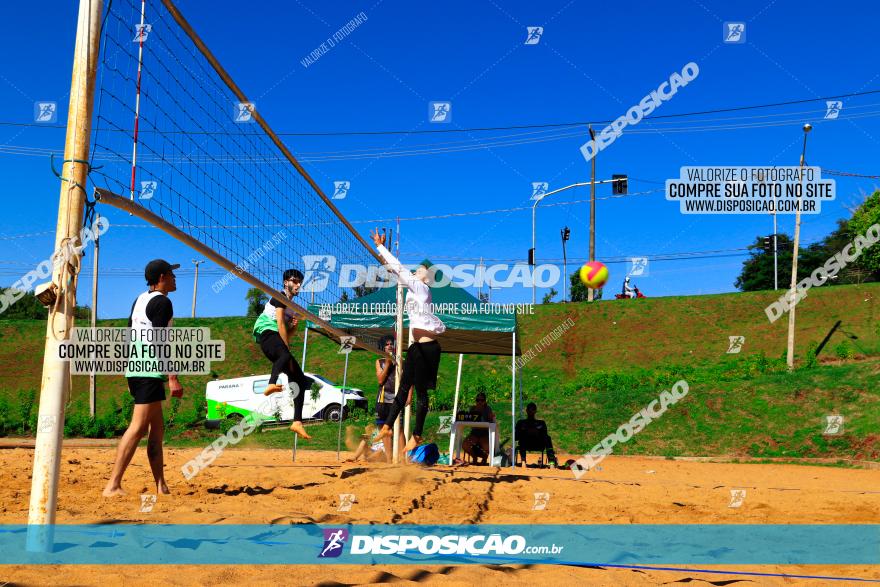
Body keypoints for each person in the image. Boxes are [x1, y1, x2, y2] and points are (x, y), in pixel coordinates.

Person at [103, 259, 182, 497]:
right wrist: (173, 377)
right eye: (172, 274)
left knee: (156, 432)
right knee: (137, 428)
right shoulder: (163, 302)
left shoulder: (139, 299)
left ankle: (161, 484)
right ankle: (113, 485)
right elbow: (160, 342)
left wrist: (129, 372)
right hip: (148, 370)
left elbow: (129, 334)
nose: (175, 278)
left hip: (139, 369)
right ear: (162, 277)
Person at [370, 228, 445, 452]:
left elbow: (400, 268)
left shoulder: (421, 288)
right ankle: (388, 427)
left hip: (428, 348)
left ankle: (417, 435)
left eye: (420, 269)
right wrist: (382, 254)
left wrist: (380, 246)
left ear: (426, 278)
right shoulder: (413, 290)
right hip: (415, 348)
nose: (417, 269)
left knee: (420, 392)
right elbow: (394, 270)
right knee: (403, 389)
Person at [252, 269, 313, 439]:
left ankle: (297, 422)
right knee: (285, 354)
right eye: (294, 281)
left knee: (299, 378)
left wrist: (293, 328)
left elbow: (286, 330)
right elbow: (279, 323)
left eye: (300, 281)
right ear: (286, 282)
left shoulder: (292, 308)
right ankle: (271, 383)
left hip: (275, 338)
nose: (298, 284)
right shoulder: (280, 296)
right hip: (266, 333)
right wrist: (286, 346)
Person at [345, 335, 407, 462]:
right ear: (382, 347)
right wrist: (388, 363)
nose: (389, 346)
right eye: (387, 344)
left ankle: (403, 459)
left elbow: (408, 381)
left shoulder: (402, 361)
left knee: (399, 429)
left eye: (391, 344)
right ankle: (389, 460)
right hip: (382, 400)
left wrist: (409, 396)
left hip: (397, 399)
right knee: (385, 429)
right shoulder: (380, 362)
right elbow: (380, 380)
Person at [515, 402, 557, 468]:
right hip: (526, 444)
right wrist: (524, 432)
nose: (531, 411)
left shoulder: (541, 423)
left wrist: (536, 432)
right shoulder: (521, 423)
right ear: (526, 411)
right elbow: (516, 437)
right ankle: (523, 461)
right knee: (522, 438)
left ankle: (551, 462)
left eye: (533, 409)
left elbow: (545, 435)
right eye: (529, 409)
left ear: (535, 411)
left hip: (538, 443)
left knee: (548, 438)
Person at [461, 392, 495, 465]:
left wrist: (490, 416)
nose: (479, 402)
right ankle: (474, 457)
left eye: (482, 400)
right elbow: (468, 419)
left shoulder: (488, 409)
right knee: (465, 445)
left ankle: (484, 458)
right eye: (478, 400)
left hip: (484, 433)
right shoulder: (472, 408)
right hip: (474, 433)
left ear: (485, 401)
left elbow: (491, 421)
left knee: (487, 446)